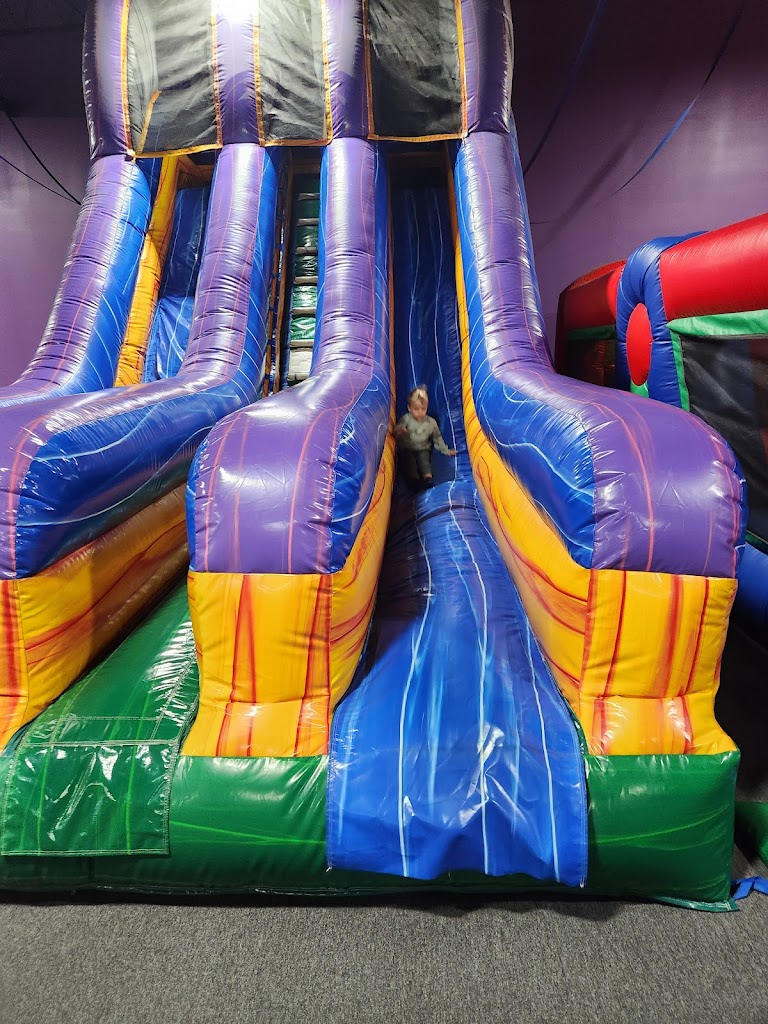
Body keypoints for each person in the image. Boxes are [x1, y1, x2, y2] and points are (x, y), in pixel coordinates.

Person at [394, 385, 457, 487]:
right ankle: (415, 481)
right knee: (410, 464)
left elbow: (437, 437)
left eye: (423, 409)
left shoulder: (430, 422)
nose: (420, 412)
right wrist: (400, 431)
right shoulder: (406, 419)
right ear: (409, 408)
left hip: (423, 449)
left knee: (425, 463)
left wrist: (446, 450)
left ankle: (428, 479)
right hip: (407, 449)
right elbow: (396, 431)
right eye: (416, 409)